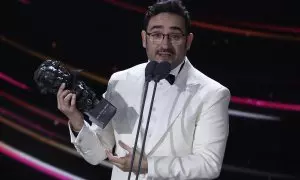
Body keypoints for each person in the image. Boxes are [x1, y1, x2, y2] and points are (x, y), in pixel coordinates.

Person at [57, 0, 231, 179]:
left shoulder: (212, 94)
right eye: (156, 34)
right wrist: (77, 121)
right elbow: (98, 153)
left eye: (175, 36)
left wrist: (148, 166)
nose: (165, 45)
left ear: (188, 41)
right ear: (144, 38)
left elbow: (208, 164)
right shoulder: (120, 82)